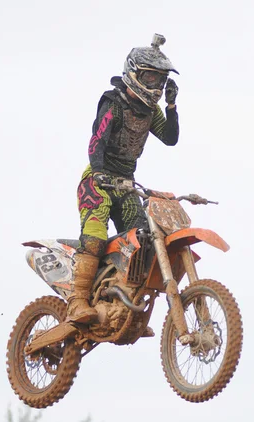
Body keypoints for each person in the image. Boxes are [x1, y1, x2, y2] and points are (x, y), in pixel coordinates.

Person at [67, 33, 180, 326]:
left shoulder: (150, 111)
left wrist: (171, 107)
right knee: (94, 238)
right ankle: (77, 302)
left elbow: (170, 138)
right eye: (150, 78)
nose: (155, 86)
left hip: (127, 184)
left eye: (160, 80)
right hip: (98, 181)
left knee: (143, 240)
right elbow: (96, 141)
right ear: (134, 73)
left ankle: (123, 303)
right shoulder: (113, 103)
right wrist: (100, 172)